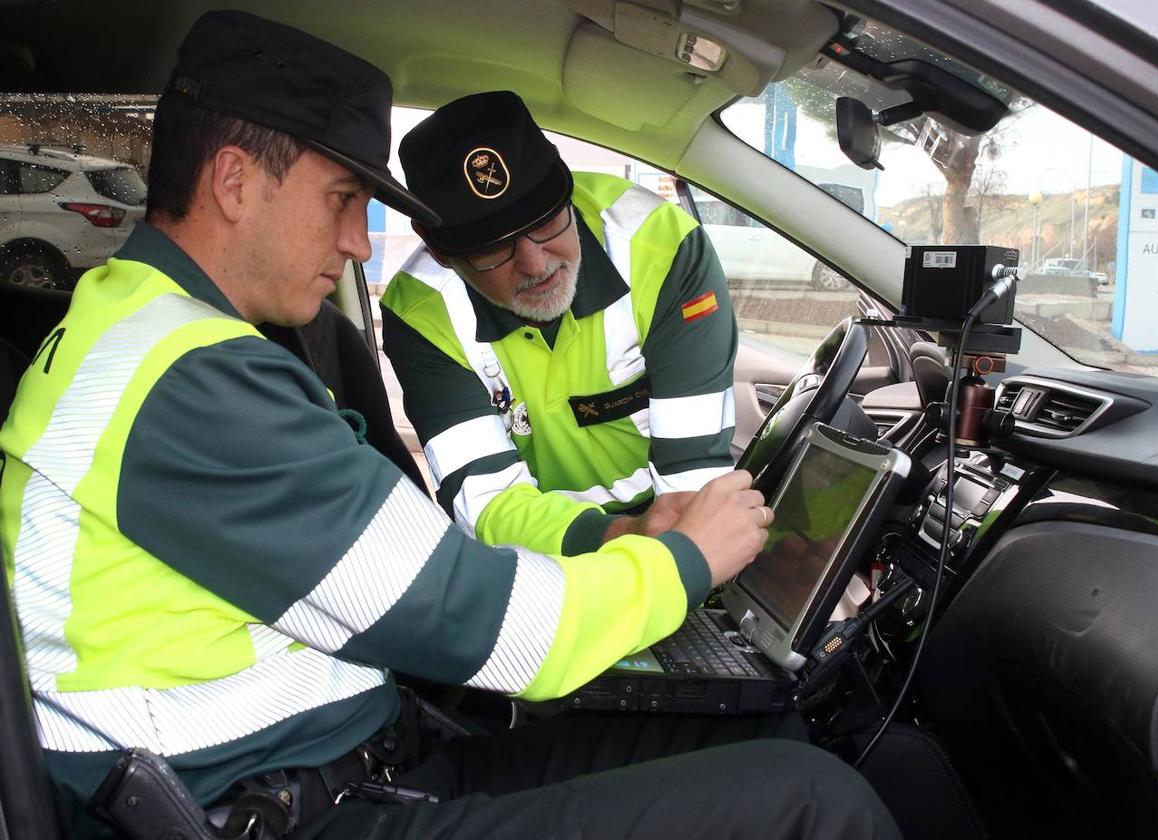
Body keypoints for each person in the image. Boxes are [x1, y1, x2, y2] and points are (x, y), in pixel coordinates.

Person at [0, 11, 898, 839]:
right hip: (270, 810)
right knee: (818, 805)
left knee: (773, 733)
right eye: (343, 198)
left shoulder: (142, 326)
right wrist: (683, 561)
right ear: (236, 182)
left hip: (337, 764)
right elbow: (499, 630)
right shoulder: (188, 377)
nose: (360, 240)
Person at [380, 91, 738, 556]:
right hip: (536, 566)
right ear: (439, 249)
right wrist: (622, 538)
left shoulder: (663, 247)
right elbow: (486, 499)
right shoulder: (420, 313)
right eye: (491, 247)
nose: (534, 263)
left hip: (668, 535)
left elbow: (694, 479)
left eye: (546, 218)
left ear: (566, 187)